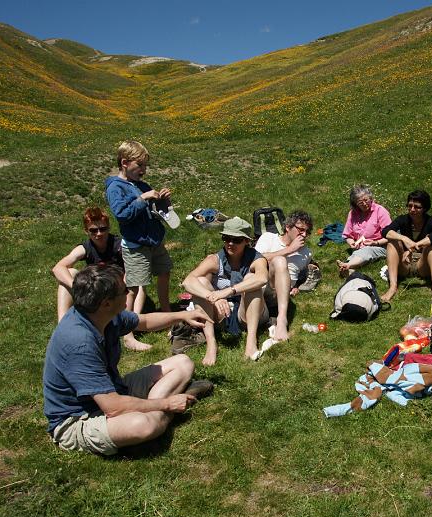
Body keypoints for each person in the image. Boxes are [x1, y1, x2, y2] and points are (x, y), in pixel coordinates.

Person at [43, 264, 214, 456]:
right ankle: (163, 416)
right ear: (106, 303)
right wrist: (166, 405)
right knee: (143, 425)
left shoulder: (103, 315)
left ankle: (154, 417)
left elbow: (144, 322)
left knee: (183, 363)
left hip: (111, 391)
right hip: (77, 419)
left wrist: (183, 315)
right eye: (124, 290)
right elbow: (113, 407)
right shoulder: (79, 343)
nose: (129, 292)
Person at [105, 140, 173, 347]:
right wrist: (143, 198)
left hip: (154, 240)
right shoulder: (116, 187)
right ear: (124, 162)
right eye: (139, 165)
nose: (143, 170)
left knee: (164, 273)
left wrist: (163, 200)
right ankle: (128, 334)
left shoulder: (141, 184)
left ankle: (167, 315)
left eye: (145, 166)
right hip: (136, 245)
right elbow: (122, 214)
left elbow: (155, 211)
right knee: (134, 287)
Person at [51, 207, 148, 350]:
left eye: (103, 229)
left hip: (120, 290)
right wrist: (77, 287)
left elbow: (133, 266)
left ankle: (129, 334)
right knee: (70, 272)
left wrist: (124, 281)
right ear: (86, 231)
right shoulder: (86, 247)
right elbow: (57, 268)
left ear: (108, 228)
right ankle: (62, 329)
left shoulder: (119, 244)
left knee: (137, 282)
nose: (99, 234)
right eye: (93, 230)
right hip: (97, 291)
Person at [182, 217, 270, 364]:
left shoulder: (256, 258)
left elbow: (262, 279)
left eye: (236, 240)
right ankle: (211, 344)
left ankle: (251, 341)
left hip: (249, 312)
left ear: (246, 241)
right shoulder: (215, 260)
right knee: (201, 282)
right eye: (226, 238)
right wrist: (212, 296)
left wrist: (228, 291)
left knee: (251, 280)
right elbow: (188, 281)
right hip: (223, 311)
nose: (230, 243)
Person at [254, 210, 314, 341]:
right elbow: (254, 261)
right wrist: (289, 250)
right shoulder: (268, 238)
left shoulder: (307, 253)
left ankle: (281, 319)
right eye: (301, 230)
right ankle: (281, 319)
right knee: (279, 261)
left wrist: (297, 285)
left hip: (281, 297)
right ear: (288, 227)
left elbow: (303, 272)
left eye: (307, 232)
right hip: (263, 288)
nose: (304, 235)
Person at [380, 190, 432, 303]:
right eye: (410, 206)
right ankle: (392, 287)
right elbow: (385, 231)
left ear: (425, 208)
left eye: (417, 207)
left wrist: (415, 246)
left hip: (423, 265)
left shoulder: (431, 221)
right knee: (392, 242)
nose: (412, 210)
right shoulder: (403, 219)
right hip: (405, 264)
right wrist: (404, 238)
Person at [337, 185, 392, 277]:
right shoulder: (352, 213)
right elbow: (347, 235)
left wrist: (375, 242)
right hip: (360, 247)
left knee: (367, 251)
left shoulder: (380, 211)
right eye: (360, 202)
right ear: (355, 203)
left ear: (370, 198)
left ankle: (348, 265)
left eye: (366, 200)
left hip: (381, 246)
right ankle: (349, 270)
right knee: (360, 252)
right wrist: (351, 243)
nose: (364, 204)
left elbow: (390, 236)